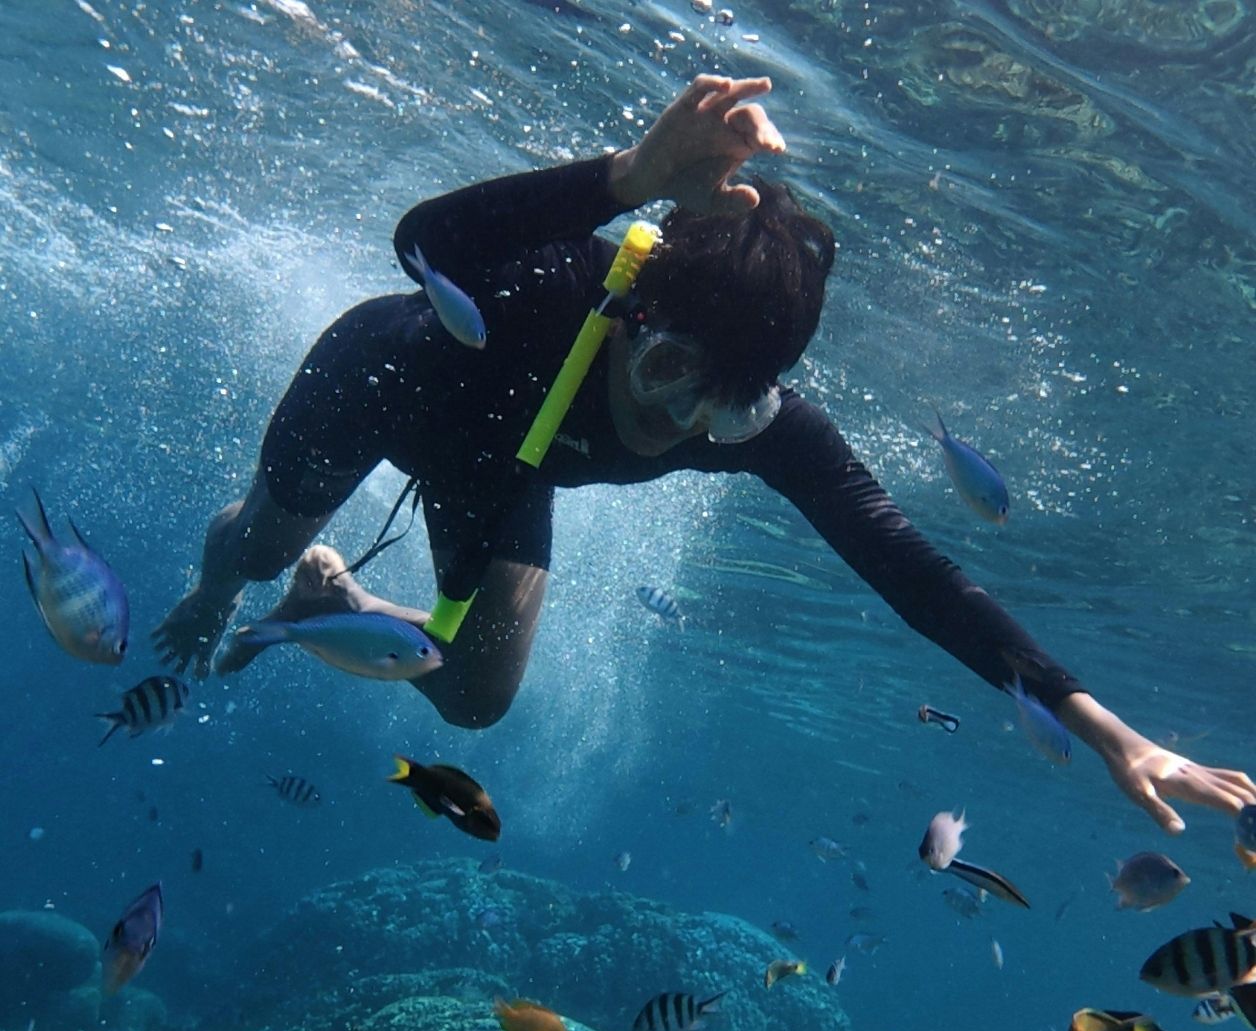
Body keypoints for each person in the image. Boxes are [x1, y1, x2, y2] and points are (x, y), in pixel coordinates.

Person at [153, 74, 1253, 835]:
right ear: (634, 312)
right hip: (386, 384)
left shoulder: (758, 419)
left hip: (505, 466)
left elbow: (911, 573)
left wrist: (1097, 727)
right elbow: (421, 243)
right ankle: (224, 589)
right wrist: (627, 176)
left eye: (723, 408)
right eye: (674, 371)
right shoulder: (557, 285)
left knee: (476, 697)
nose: (682, 422)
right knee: (252, 547)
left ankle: (329, 599)